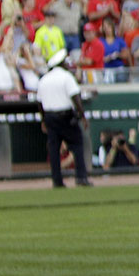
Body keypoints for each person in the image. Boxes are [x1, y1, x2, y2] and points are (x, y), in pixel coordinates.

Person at [37, 50, 91, 188]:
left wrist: (43, 120)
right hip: (65, 116)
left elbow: (40, 103)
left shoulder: (44, 79)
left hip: (50, 117)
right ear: (61, 64)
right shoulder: (67, 77)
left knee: (54, 149)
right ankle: (81, 177)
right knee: (77, 144)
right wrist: (82, 116)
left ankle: (57, 180)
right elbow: (75, 97)